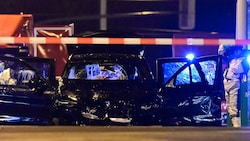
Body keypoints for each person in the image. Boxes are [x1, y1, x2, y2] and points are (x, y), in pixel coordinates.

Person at [218, 44, 249, 127]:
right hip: (227, 83)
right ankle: (234, 125)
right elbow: (220, 51)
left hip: (235, 84)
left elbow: (237, 68)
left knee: (234, 107)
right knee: (229, 107)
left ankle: (237, 126)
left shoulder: (242, 60)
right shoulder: (230, 59)